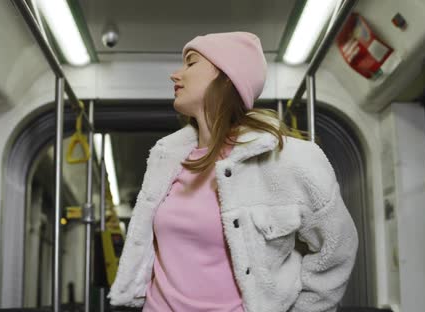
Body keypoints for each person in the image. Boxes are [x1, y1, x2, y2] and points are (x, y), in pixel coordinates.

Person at [107, 31, 358, 312]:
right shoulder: (165, 159)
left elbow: (337, 249)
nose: (175, 75)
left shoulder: (288, 159)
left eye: (191, 63)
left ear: (226, 75)